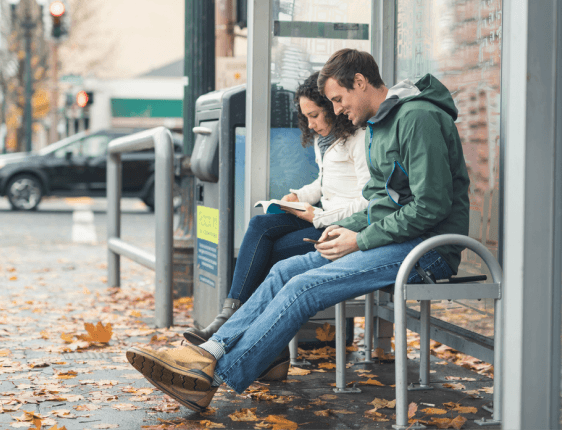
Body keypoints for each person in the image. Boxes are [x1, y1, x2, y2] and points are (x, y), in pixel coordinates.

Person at [126, 48, 470, 413]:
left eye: (338, 99)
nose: (337, 110)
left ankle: (210, 381)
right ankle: (208, 352)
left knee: (304, 287)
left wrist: (360, 238)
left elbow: (431, 207)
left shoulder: (417, 118)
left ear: (361, 82)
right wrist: (343, 228)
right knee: (283, 270)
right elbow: (379, 205)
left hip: (429, 250)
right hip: (397, 238)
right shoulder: (379, 125)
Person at [183, 71, 370, 346]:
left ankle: (245, 337)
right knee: (260, 225)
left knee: (268, 255)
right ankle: (230, 318)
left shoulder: (360, 139)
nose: (311, 124)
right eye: (306, 117)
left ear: (334, 106)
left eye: (315, 115)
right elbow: (323, 182)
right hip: (320, 217)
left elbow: (368, 201)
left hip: (341, 228)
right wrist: (298, 195)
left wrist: (318, 215)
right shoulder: (325, 140)